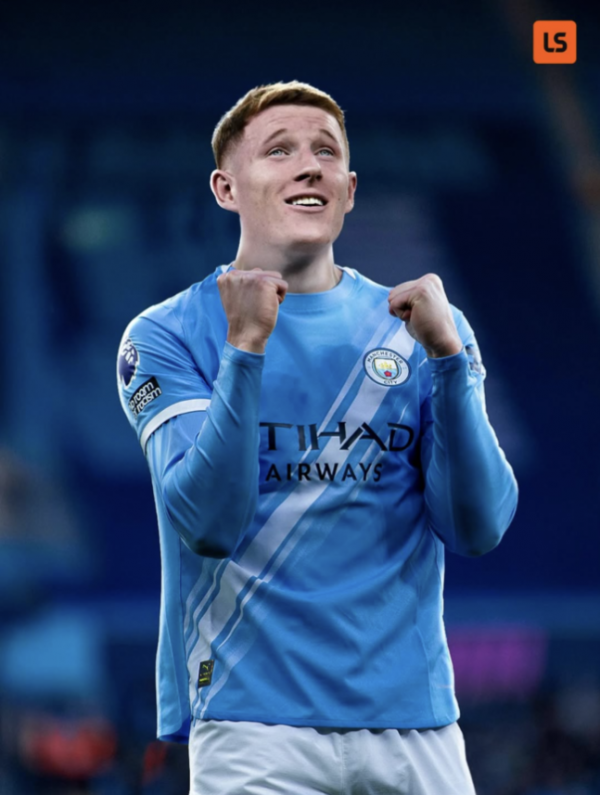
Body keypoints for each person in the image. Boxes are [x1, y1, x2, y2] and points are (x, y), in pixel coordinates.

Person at [117, 81, 518, 795]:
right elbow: (208, 522)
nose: (309, 165)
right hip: (252, 728)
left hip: (418, 727)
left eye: (326, 152)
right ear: (226, 188)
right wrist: (245, 349)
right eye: (279, 151)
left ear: (350, 189)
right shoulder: (167, 334)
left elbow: (478, 526)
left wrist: (450, 362)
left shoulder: (421, 326)